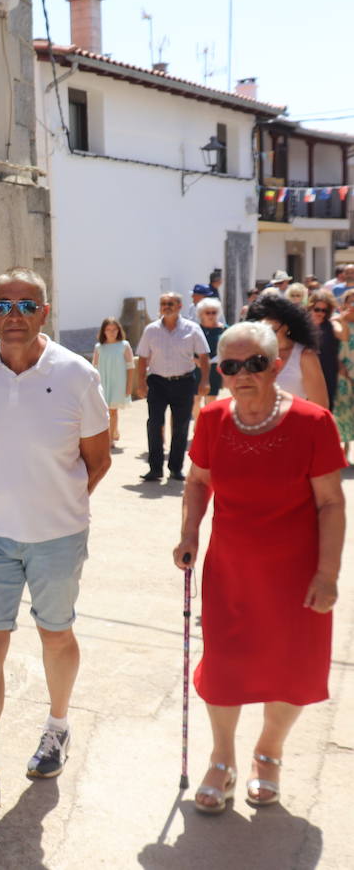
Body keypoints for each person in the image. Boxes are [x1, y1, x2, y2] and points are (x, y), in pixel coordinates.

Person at [0, 267, 111, 827]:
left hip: (57, 536)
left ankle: (57, 727)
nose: (14, 315)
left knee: (56, 634)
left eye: (26, 306)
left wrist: (57, 503)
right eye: (3, 305)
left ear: (45, 313)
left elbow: (97, 459)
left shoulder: (77, 374)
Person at [173, 321, 343, 815]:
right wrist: (189, 533)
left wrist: (328, 574)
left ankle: (269, 753)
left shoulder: (313, 423)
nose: (242, 374)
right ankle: (222, 759)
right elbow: (198, 482)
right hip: (230, 570)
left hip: (297, 573)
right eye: (231, 366)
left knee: (290, 667)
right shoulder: (212, 420)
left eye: (254, 364)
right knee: (225, 666)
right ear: (220, 371)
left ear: (275, 366)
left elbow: (331, 503)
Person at [134, 293, 211, 482]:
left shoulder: (192, 329)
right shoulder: (151, 330)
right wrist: (142, 383)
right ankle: (155, 468)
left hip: (183, 382)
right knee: (154, 424)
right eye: (162, 303)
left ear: (179, 306)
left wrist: (204, 381)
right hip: (158, 383)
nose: (166, 306)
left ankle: (176, 468)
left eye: (170, 303)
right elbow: (143, 358)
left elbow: (204, 357)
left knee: (181, 425)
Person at [243, 293, 329, 409]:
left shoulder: (304, 356)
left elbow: (320, 407)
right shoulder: (249, 353)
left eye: (271, 330)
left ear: (286, 326)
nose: (265, 336)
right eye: (259, 331)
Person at [92, 317, 134, 448]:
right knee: (103, 412)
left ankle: (110, 439)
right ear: (103, 331)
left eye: (114, 329)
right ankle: (112, 432)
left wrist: (128, 387)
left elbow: (130, 366)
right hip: (103, 383)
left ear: (119, 330)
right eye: (108, 329)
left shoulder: (124, 345)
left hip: (118, 383)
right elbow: (94, 367)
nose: (111, 332)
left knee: (113, 411)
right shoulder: (99, 347)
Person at [193, 298, 227, 417]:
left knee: (211, 401)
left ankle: (209, 431)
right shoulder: (195, 329)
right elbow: (186, 349)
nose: (211, 315)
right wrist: (195, 360)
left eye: (214, 312)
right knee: (195, 401)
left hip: (214, 369)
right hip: (197, 369)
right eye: (208, 312)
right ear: (201, 314)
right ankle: (197, 429)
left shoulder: (224, 330)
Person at [310, 290, 342, 409]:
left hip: (328, 371)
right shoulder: (303, 325)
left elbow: (343, 336)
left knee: (327, 407)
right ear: (310, 307)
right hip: (308, 370)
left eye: (324, 310)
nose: (320, 313)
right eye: (317, 309)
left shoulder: (330, 325)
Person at [334, 291, 354, 461]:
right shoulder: (336, 321)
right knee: (344, 409)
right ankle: (344, 451)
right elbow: (339, 341)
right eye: (350, 301)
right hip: (343, 370)